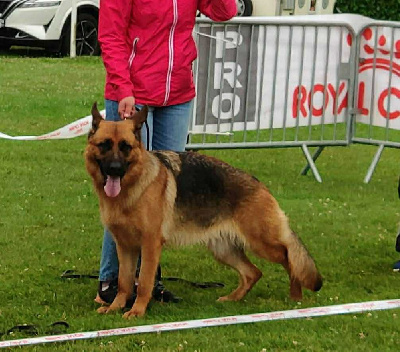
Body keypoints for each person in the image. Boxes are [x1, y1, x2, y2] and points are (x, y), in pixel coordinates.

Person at [95, 0, 238, 305]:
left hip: (177, 94)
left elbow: (224, 11)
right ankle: (111, 281)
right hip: (132, 95)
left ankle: (148, 283)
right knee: (120, 193)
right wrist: (123, 87)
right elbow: (110, 35)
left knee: (158, 200)